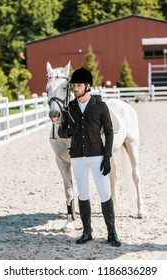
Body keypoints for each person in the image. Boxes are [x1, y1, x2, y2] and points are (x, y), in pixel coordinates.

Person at [58, 67, 121, 247]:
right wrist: (70, 130)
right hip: (77, 157)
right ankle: (87, 232)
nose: (75, 88)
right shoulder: (69, 108)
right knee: (83, 194)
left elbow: (109, 132)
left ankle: (112, 233)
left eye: (78, 85)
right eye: (73, 85)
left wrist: (107, 157)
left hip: (97, 156)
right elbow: (62, 131)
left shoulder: (100, 106)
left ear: (87, 86)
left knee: (104, 193)